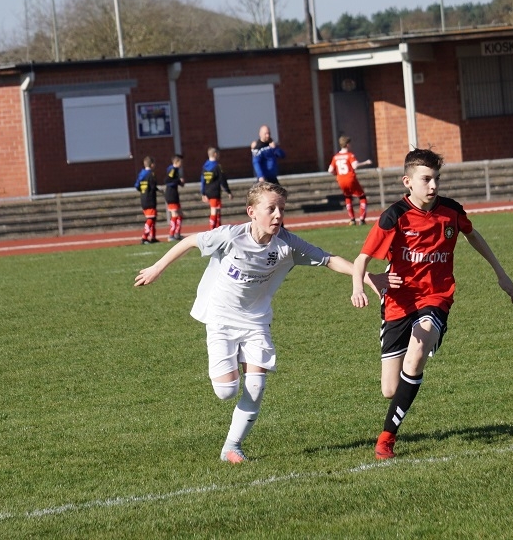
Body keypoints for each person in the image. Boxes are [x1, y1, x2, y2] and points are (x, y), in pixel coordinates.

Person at [135, 181, 399, 464]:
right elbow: (190, 241)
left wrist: (367, 277)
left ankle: (232, 447)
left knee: (256, 386)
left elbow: (328, 259)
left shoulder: (287, 243)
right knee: (226, 391)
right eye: (271, 209)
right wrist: (157, 268)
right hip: (220, 317)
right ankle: (231, 374)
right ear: (251, 211)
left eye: (281, 209)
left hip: (256, 321)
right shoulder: (230, 236)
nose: (278, 215)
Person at [351, 148, 513, 460]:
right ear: (408, 182)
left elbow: (473, 235)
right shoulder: (394, 216)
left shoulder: (451, 210)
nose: (433, 185)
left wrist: (501, 273)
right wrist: (358, 287)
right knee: (390, 389)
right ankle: (405, 387)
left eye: (436, 179)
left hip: (436, 297)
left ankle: (386, 438)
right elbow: (362, 259)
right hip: (398, 303)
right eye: (426, 179)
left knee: (418, 350)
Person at [328, 135, 372, 225]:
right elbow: (354, 166)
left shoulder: (335, 157)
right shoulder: (350, 155)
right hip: (350, 178)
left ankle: (352, 219)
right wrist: (366, 162)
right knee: (362, 197)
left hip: (341, 180)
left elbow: (330, 170)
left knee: (348, 197)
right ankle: (362, 219)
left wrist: (337, 174)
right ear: (347, 144)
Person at [201, 147, 233, 230]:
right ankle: (212, 229)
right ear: (215, 154)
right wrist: (228, 191)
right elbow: (222, 180)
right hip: (215, 191)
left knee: (217, 209)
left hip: (207, 190)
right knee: (214, 210)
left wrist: (203, 193)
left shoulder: (204, 166)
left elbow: (202, 180)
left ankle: (218, 228)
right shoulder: (217, 166)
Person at [135, 156, 159, 244]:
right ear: (152, 165)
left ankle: (153, 237)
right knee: (151, 218)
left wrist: (143, 191)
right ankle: (144, 237)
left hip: (143, 198)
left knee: (153, 218)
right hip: (150, 199)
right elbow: (153, 186)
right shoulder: (151, 174)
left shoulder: (141, 174)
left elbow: (137, 186)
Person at [164, 154, 185, 242]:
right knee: (175, 214)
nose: (182, 164)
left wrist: (180, 183)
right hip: (171, 194)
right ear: (177, 162)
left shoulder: (175, 170)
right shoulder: (172, 169)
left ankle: (177, 233)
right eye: (181, 162)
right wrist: (178, 181)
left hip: (174, 194)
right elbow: (167, 180)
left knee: (180, 214)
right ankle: (171, 235)